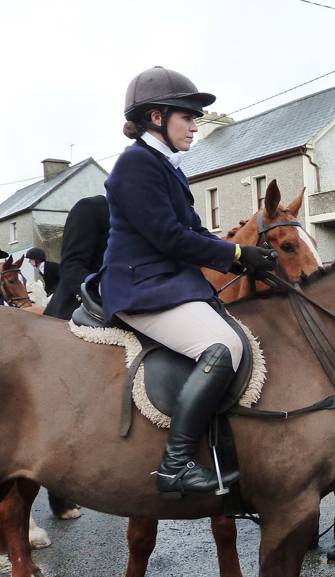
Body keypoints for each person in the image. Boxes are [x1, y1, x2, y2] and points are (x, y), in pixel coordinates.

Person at [102, 66, 276, 498]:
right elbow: (168, 236)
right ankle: (173, 467)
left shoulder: (166, 166)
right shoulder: (135, 165)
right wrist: (236, 253)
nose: (195, 126)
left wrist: (244, 260)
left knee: (239, 335)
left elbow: (194, 230)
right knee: (222, 347)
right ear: (157, 118)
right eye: (188, 117)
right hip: (141, 287)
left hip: (168, 283)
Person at [40, 195, 111, 518]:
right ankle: (58, 495)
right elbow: (72, 268)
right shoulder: (92, 208)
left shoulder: (148, 213)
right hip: (75, 314)